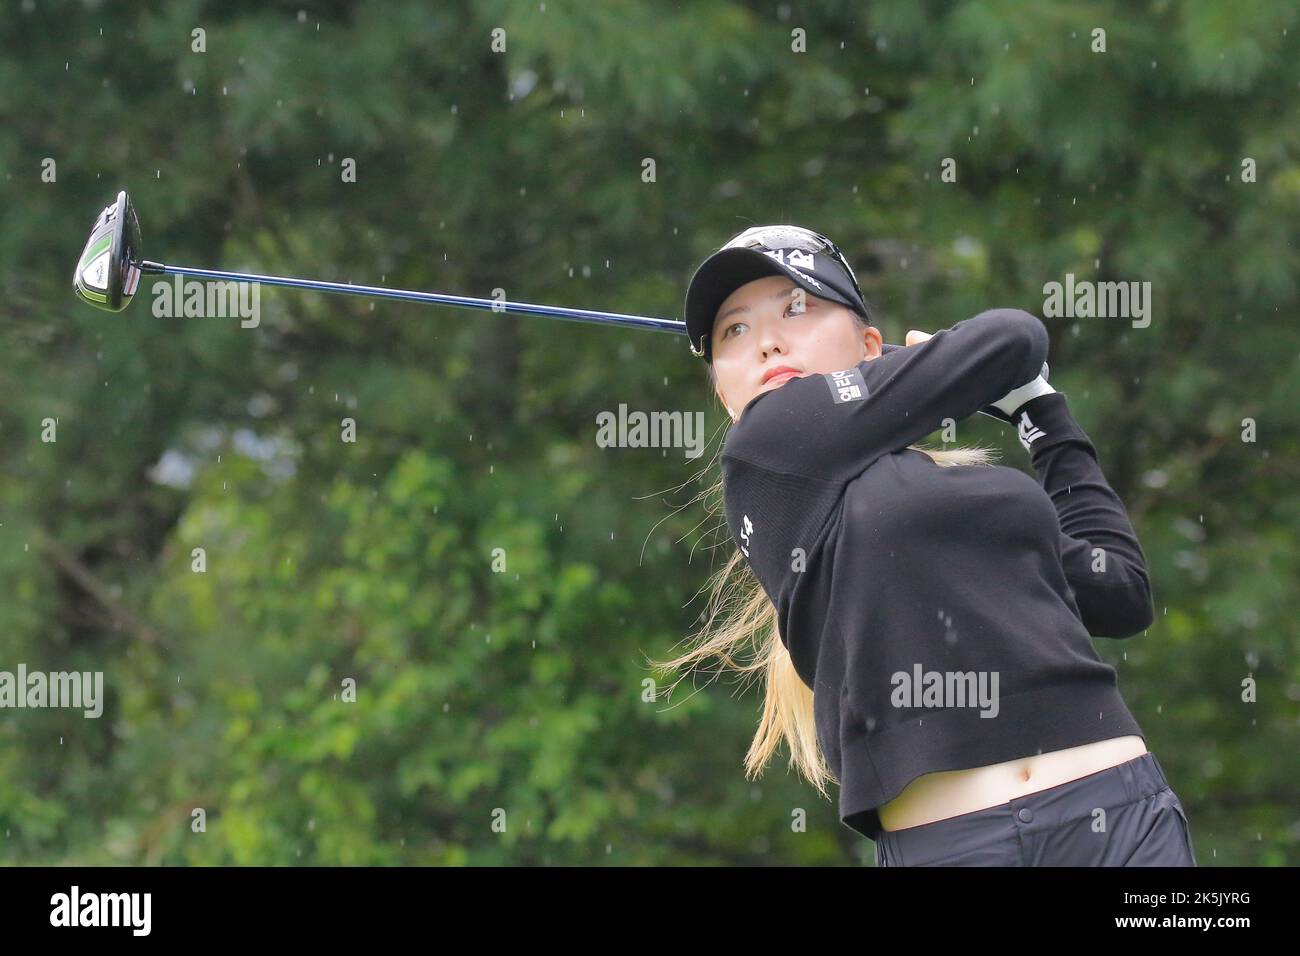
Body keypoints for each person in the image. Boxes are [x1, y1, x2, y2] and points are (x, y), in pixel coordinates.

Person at [651, 225, 1196, 866]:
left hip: (1120, 817)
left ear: (869, 343)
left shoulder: (976, 493)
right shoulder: (763, 450)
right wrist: (959, 364)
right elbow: (1015, 335)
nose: (768, 340)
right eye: (733, 331)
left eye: (797, 307)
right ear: (722, 388)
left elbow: (1120, 591)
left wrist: (1041, 412)